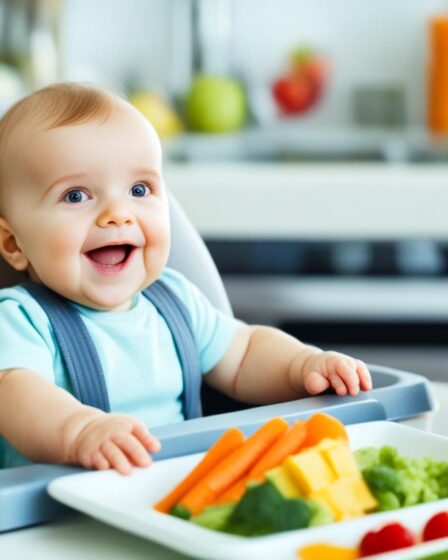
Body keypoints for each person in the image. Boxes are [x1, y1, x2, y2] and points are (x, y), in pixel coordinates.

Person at [0, 83, 372, 475]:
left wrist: (303, 364)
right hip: (60, 516)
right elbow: (15, 394)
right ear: (13, 243)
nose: (118, 214)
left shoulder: (175, 301)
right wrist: (81, 431)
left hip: (172, 492)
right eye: (76, 196)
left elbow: (245, 354)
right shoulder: (21, 321)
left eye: (139, 189)